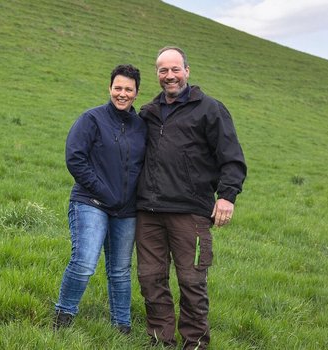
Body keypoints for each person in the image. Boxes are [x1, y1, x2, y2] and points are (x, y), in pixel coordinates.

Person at [135, 46, 247, 349]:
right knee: (150, 279)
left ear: (187, 70)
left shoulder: (210, 109)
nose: (169, 76)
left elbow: (232, 158)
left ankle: (195, 344)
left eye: (175, 69)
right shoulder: (148, 112)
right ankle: (160, 342)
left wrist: (227, 196)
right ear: (157, 74)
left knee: (192, 282)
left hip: (191, 213)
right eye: (163, 70)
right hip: (149, 212)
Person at [53, 64, 147, 334]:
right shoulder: (91, 119)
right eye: (117, 87)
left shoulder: (141, 127)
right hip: (91, 202)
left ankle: (122, 326)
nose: (122, 93)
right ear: (109, 88)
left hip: (126, 210)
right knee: (84, 262)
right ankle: (63, 316)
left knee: (120, 270)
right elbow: (75, 158)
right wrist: (104, 191)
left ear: (136, 93)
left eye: (128, 89)